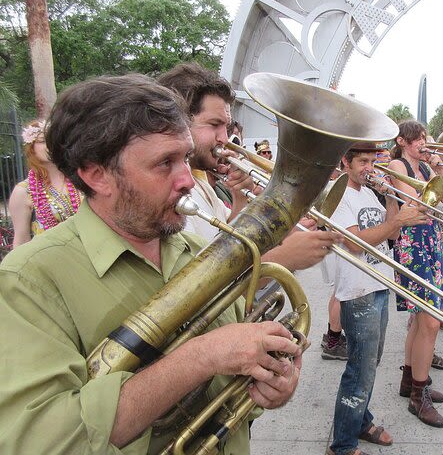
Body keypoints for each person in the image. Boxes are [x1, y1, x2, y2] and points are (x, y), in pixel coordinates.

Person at [0, 74, 301, 454]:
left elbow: (235, 390)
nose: (188, 180)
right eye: (165, 163)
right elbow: (43, 442)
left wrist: (271, 385)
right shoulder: (28, 279)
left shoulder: (199, 249)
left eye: (186, 159)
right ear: (97, 175)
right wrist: (201, 356)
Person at [158, 62, 338, 270]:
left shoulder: (201, 182)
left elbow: (229, 244)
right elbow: (201, 279)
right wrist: (283, 256)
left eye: (226, 127)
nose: (224, 138)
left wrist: (240, 198)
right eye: (214, 125)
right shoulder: (174, 191)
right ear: (179, 121)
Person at [327, 142, 427, 455]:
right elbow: (356, 243)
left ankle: (361, 420)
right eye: (363, 161)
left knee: (371, 363)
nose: (369, 167)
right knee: (360, 368)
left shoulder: (369, 192)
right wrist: (395, 222)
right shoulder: (338, 193)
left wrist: (392, 198)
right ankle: (342, 444)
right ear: (346, 161)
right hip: (357, 292)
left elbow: (391, 235)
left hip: (378, 285)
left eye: (372, 161)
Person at [389, 120, 443, 428]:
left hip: (430, 245)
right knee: (431, 322)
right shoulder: (397, 165)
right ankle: (418, 397)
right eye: (418, 139)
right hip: (412, 247)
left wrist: (440, 170)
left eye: (425, 138)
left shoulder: (423, 169)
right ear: (402, 140)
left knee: (420, 321)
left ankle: (411, 380)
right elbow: (414, 206)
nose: (424, 143)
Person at [8, 120, 82, 248]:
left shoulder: (80, 178)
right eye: (42, 141)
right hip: (49, 258)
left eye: (53, 140)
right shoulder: (23, 191)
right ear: (31, 147)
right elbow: (21, 240)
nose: (49, 145)